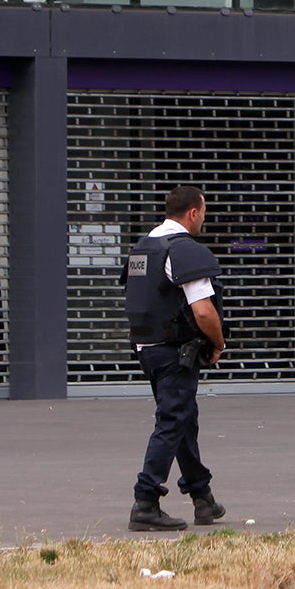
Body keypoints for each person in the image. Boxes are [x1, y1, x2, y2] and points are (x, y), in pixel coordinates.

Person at [123, 184, 226, 532]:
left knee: (182, 420)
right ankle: (145, 501)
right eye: (204, 213)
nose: (203, 220)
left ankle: (202, 498)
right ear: (193, 213)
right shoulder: (181, 250)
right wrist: (218, 342)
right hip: (174, 352)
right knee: (171, 422)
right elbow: (203, 311)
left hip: (147, 349)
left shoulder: (143, 248)